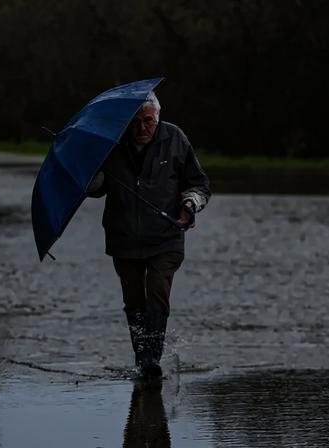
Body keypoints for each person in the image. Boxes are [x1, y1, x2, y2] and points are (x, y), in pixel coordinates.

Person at [87, 92, 210, 378]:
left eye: (149, 121)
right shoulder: (111, 145)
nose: (142, 128)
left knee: (157, 292)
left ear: (158, 118)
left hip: (166, 237)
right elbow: (96, 189)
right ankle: (142, 358)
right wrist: (90, 175)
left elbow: (199, 184)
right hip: (124, 239)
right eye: (136, 122)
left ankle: (152, 357)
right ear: (127, 123)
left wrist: (190, 204)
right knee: (134, 302)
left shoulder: (175, 139)